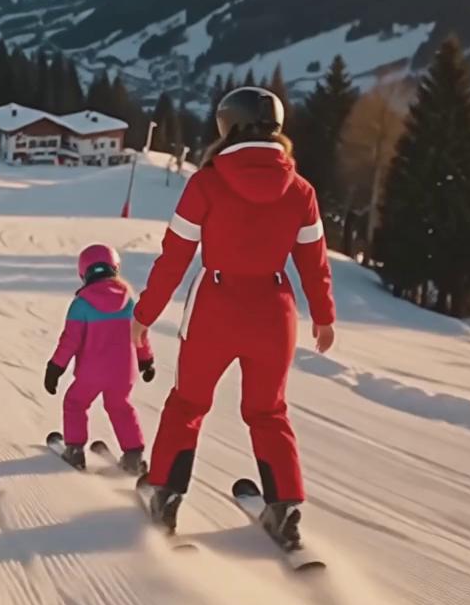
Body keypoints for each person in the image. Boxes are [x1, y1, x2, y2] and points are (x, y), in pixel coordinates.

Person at [132, 86, 335, 545]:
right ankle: (284, 511)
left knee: (187, 404)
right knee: (269, 411)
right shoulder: (301, 190)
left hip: (215, 309)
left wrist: (144, 314)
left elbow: (174, 258)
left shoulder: (206, 182)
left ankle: (165, 495)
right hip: (274, 311)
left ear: (227, 125)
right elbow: (314, 260)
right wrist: (323, 315)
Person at [46, 244, 156, 475]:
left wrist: (56, 366)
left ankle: (75, 450)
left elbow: (70, 341)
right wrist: (146, 359)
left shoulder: (81, 304)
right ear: (115, 267)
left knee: (75, 403)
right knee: (120, 407)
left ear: (83, 273)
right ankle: (134, 455)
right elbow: (140, 333)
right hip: (123, 373)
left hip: (91, 373)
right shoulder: (129, 300)